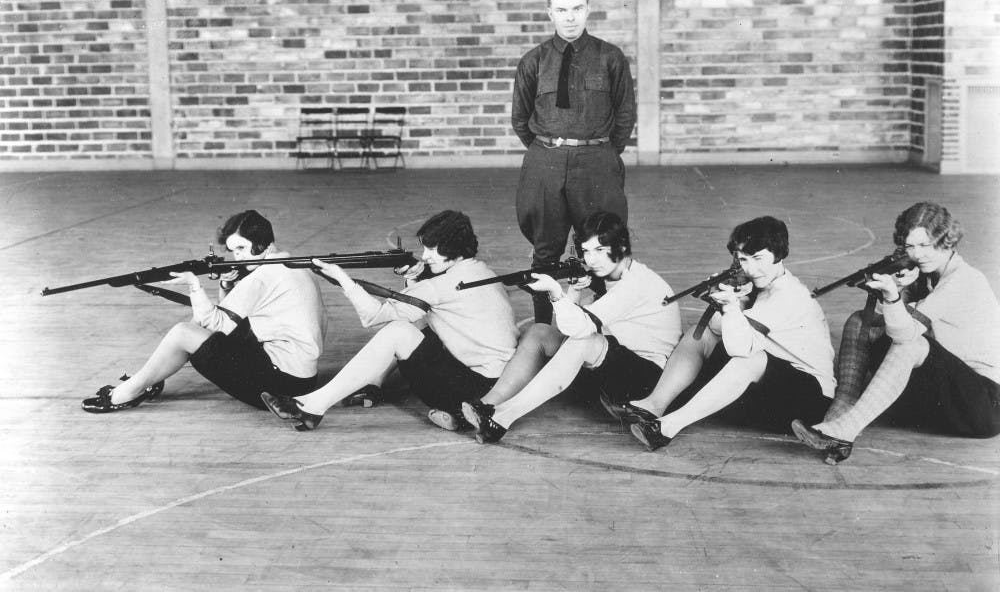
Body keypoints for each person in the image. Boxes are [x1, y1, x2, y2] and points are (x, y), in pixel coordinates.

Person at [260, 210, 519, 432]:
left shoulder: (441, 285)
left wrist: (342, 279)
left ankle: (312, 406)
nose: (425, 256)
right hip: (496, 383)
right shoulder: (480, 270)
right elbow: (423, 309)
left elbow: (373, 316)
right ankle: (371, 386)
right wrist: (414, 280)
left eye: (432, 248)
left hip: (468, 392)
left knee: (397, 331)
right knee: (410, 325)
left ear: (452, 248)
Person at [792, 202, 1000, 464]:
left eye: (926, 245)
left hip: (983, 405)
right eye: (911, 246)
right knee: (860, 321)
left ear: (946, 241)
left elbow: (904, 335)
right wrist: (901, 287)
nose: (918, 254)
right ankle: (838, 415)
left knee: (912, 344)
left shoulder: (963, 280)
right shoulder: (926, 274)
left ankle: (846, 431)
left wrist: (892, 296)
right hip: (941, 397)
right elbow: (880, 323)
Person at [461, 211, 682, 444]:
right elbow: (567, 333)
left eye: (600, 250)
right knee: (540, 332)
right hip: (610, 371)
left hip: (644, 382)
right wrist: (574, 291)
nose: (592, 259)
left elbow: (580, 332)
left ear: (623, 247)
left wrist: (556, 293)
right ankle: (486, 405)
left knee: (586, 340)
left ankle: (503, 418)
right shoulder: (611, 278)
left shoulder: (635, 284)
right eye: (586, 251)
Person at [621, 216, 836, 451]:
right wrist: (733, 298)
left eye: (758, 258)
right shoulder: (759, 285)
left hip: (809, 403)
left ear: (779, 253)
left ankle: (666, 428)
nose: (750, 268)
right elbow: (714, 329)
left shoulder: (788, 295)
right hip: (770, 393)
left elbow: (738, 349)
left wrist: (732, 306)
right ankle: (653, 405)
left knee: (752, 359)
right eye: (743, 259)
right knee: (699, 334)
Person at [81, 210, 327, 412]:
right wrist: (225, 285)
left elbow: (213, 323)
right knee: (194, 328)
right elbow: (234, 322)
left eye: (241, 249)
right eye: (233, 251)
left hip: (279, 387)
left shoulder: (262, 277)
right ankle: (147, 380)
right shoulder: (293, 264)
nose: (237, 258)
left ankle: (127, 393)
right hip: (304, 379)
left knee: (183, 333)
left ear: (261, 244)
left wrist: (194, 285)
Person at [512, 0, 636, 324]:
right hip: (545, 162)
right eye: (561, 9)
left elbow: (625, 113)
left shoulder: (610, 57)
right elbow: (520, 118)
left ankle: (603, 324)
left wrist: (602, 153)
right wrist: (550, 150)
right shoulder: (533, 61)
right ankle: (542, 329)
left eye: (577, 9)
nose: (570, 17)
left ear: (588, 10)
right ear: (549, 12)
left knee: (601, 246)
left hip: (596, 162)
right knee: (546, 250)